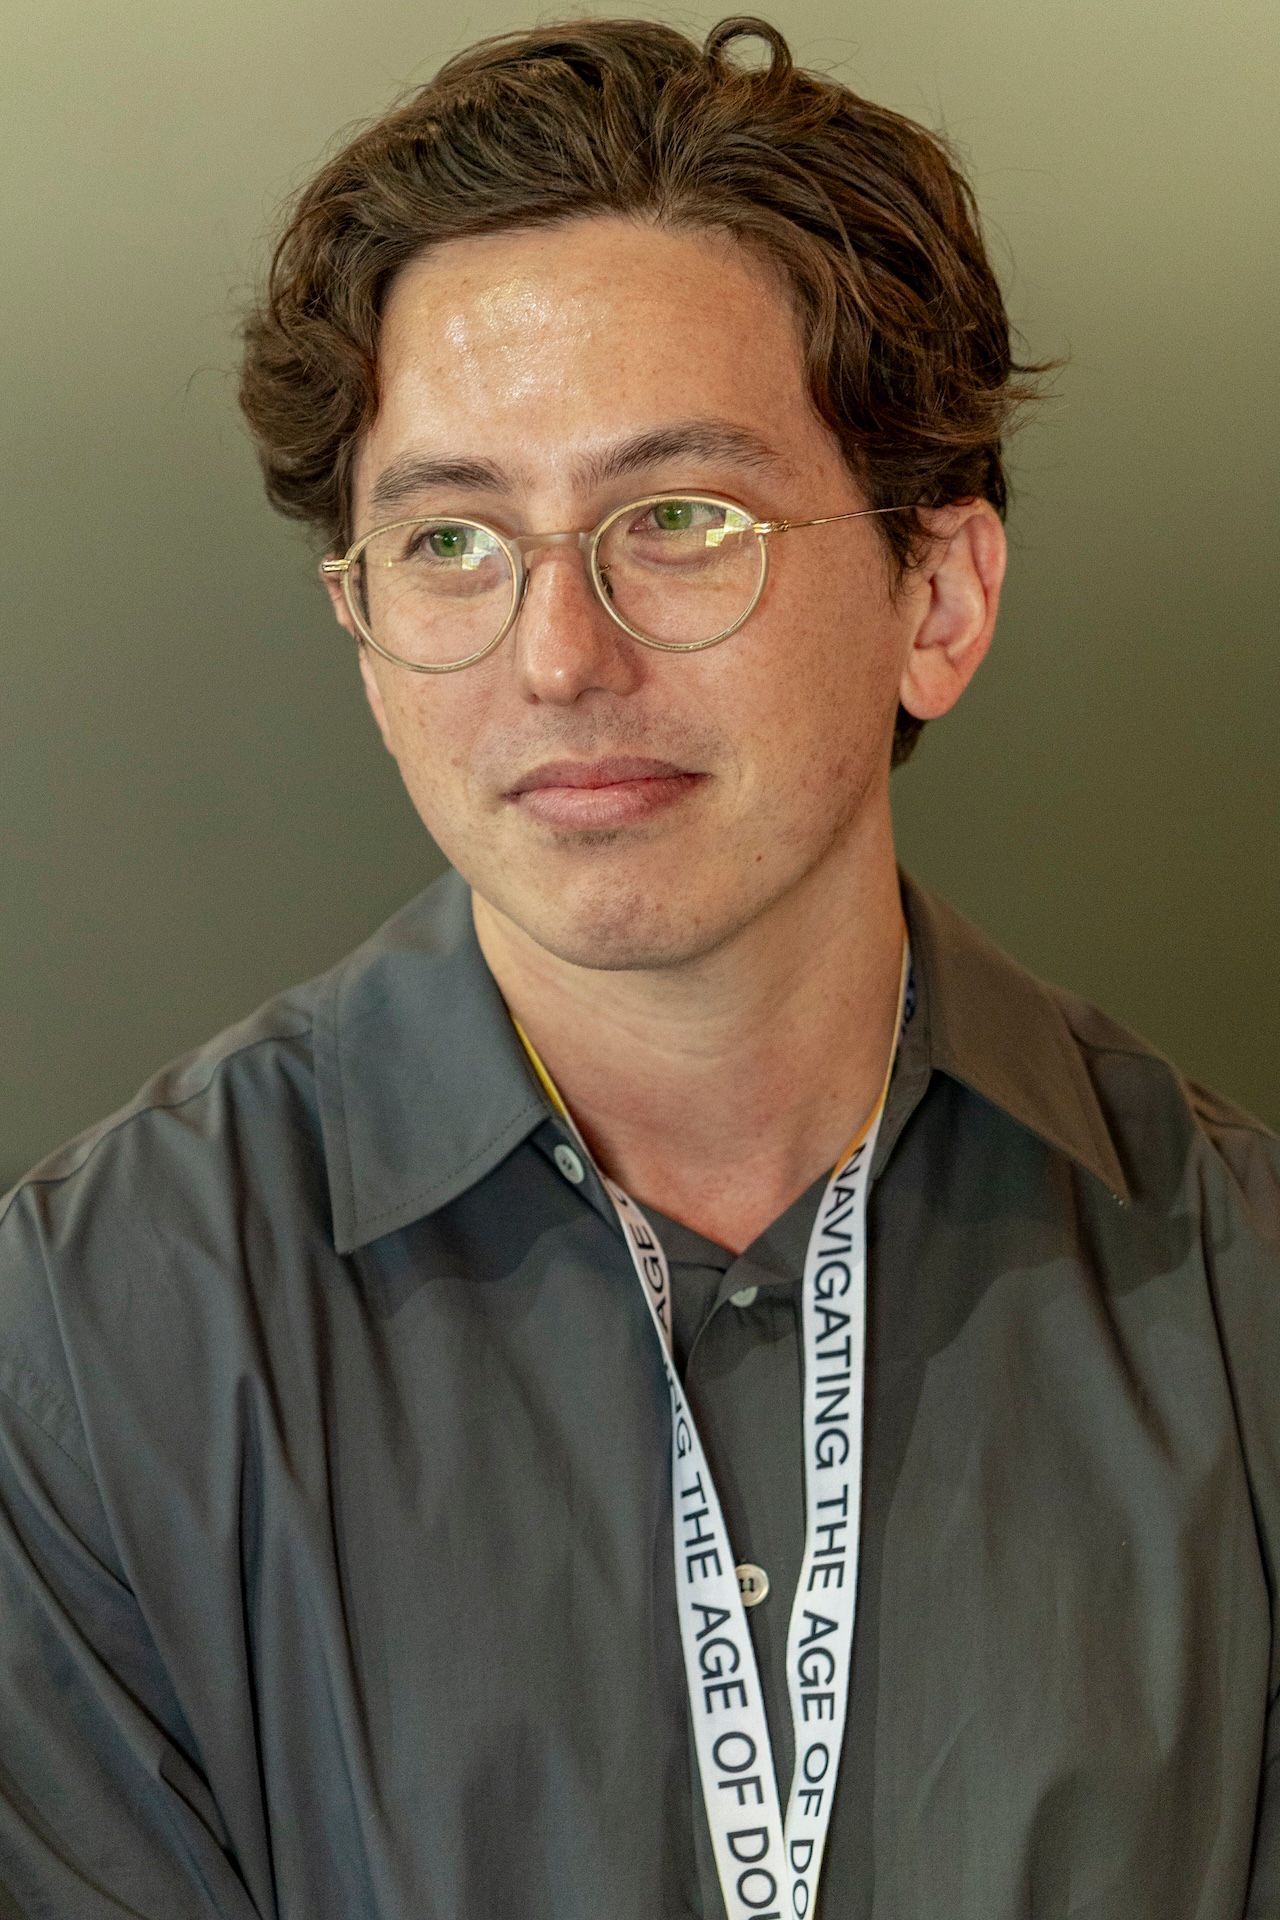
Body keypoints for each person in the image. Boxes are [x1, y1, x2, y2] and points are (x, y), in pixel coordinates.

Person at [1, 13, 1276, 1918]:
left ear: (938, 597)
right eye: (452, 539)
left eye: (677, 521)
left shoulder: (1245, 1301)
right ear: (363, 630)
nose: (556, 657)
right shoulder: (88, 1351)